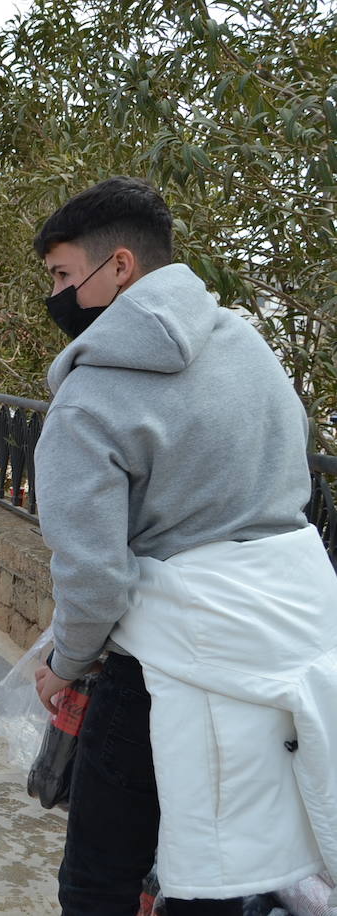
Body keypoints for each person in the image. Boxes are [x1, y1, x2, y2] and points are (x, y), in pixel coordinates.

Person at [30, 177, 337, 915]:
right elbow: (291, 458)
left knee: (101, 877)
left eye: (64, 276)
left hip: (167, 661)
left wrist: (64, 662)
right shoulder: (248, 345)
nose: (57, 296)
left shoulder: (89, 399)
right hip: (290, 637)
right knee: (225, 875)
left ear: (121, 266)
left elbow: (93, 574)